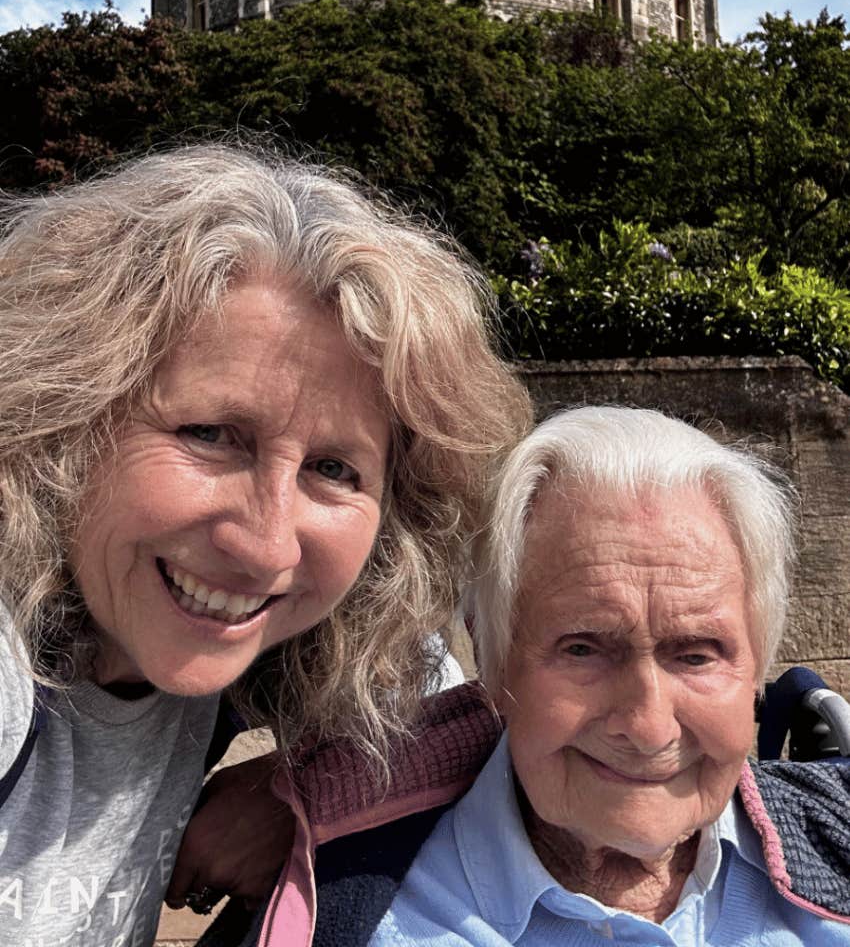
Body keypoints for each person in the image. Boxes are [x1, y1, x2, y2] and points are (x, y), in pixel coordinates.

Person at [0, 144, 531, 945]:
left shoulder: (203, 627)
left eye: (333, 469)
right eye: (210, 434)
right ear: (68, 417)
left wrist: (298, 792)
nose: (264, 545)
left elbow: (464, 718)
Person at [235, 407, 850, 947]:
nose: (647, 727)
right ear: (493, 660)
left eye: (696, 655)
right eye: (583, 649)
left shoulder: (832, 846)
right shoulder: (341, 905)